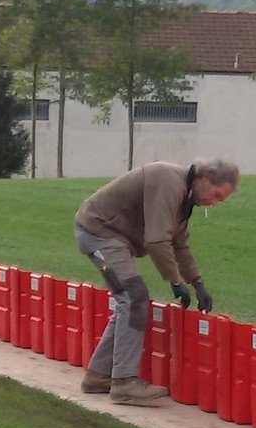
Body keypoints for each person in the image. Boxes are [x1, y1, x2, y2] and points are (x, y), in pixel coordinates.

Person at [74, 158, 239, 406]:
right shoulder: (168, 182)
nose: (213, 203)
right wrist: (174, 281)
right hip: (99, 232)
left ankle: (99, 376)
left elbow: (179, 244)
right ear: (204, 178)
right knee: (133, 297)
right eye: (216, 195)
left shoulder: (184, 198)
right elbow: (157, 241)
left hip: (114, 237)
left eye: (220, 201)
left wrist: (197, 283)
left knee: (129, 300)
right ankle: (124, 383)